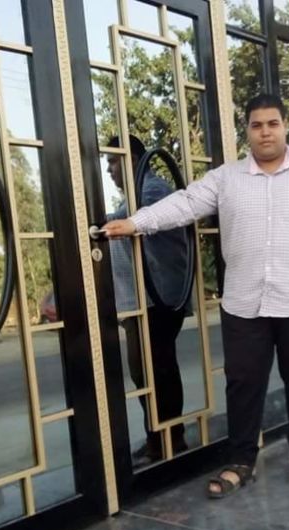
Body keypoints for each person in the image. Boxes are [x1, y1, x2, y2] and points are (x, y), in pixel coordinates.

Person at [104, 94, 289, 496]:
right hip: (244, 303)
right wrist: (136, 223)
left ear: (284, 127)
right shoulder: (226, 178)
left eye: (272, 124)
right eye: (257, 125)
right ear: (248, 132)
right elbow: (185, 204)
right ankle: (241, 461)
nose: (265, 132)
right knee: (242, 384)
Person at [105, 134, 189, 463]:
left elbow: (140, 217)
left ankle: (167, 441)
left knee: (155, 372)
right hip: (141, 302)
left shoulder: (153, 190)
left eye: (113, 161)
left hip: (156, 302)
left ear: (135, 159)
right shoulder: (134, 196)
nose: (109, 169)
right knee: (149, 373)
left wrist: (100, 223)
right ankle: (161, 438)